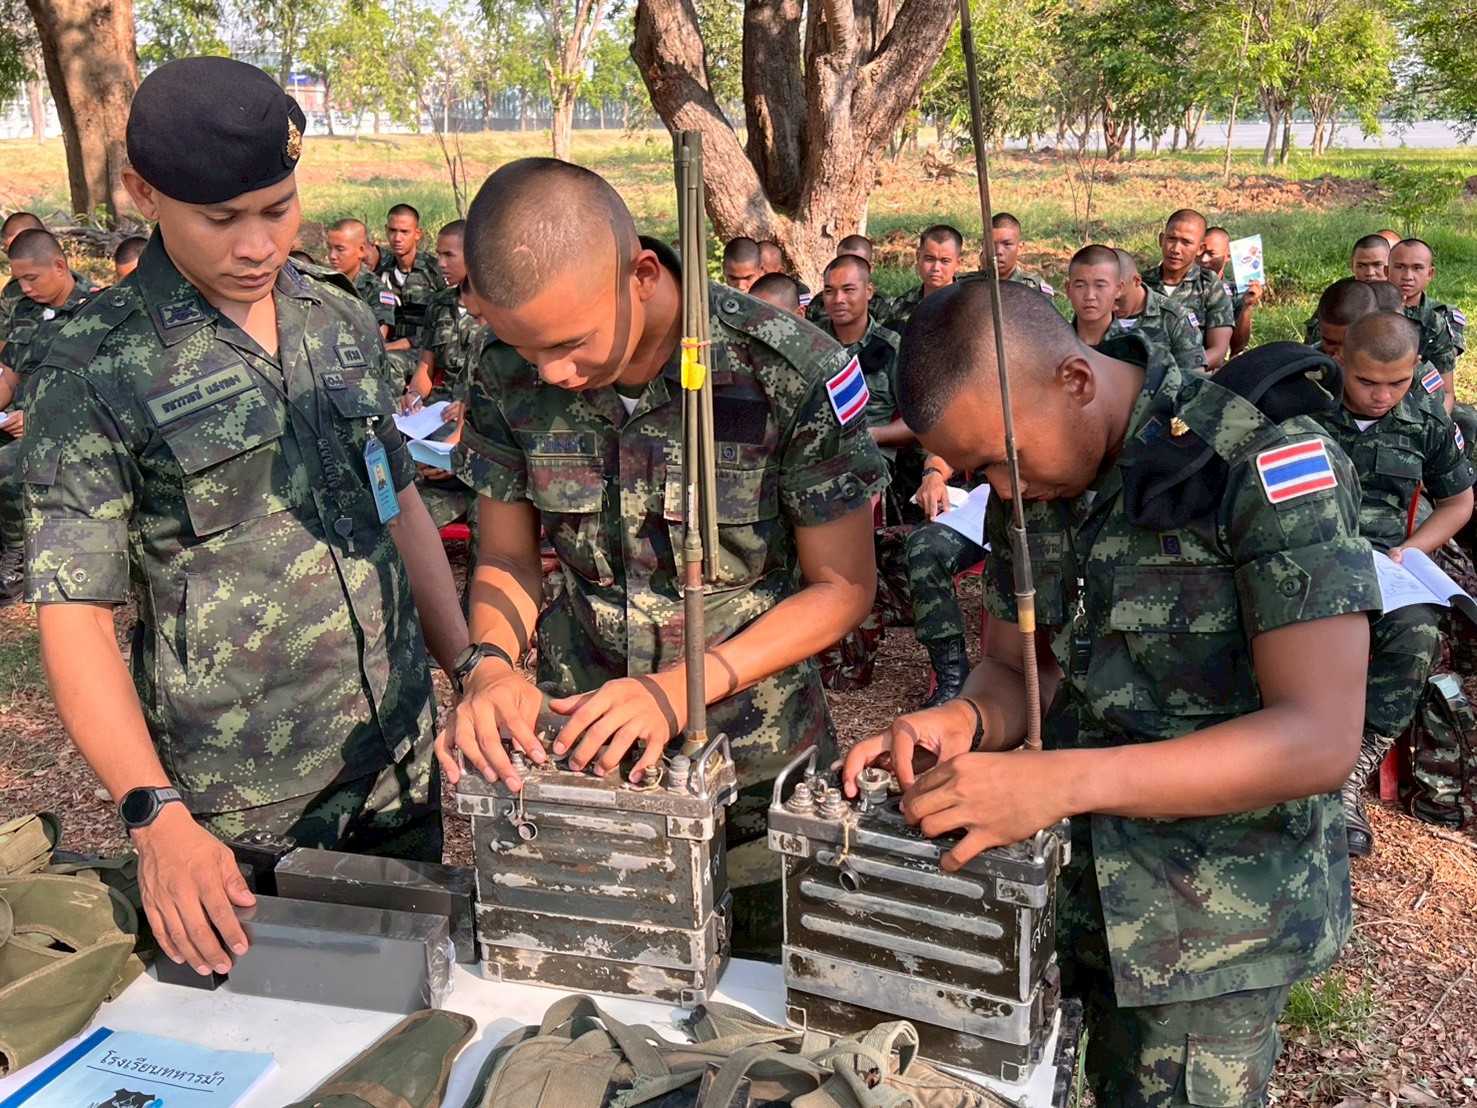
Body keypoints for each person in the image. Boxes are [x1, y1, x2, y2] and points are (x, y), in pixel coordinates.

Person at [845, 280, 1378, 1106]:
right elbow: (1023, 668)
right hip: (1062, 892)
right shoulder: (1034, 480)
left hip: (1209, 933)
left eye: (1002, 462)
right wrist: (963, 718)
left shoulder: (1261, 459)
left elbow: (1317, 737)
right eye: (979, 472)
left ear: (1073, 379)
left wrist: (1056, 782)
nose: (1002, 492)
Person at [20, 56, 492, 981]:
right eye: (221, 219)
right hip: (239, 810)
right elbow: (73, 614)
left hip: (395, 763)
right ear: (143, 194)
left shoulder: (335, 320)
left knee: (413, 1008)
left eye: (278, 209)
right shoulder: (94, 369)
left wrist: (469, 667)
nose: (256, 246)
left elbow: (396, 506)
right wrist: (153, 814)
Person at [442, 157, 887, 961]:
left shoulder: (788, 370)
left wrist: (678, 690)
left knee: (763, 989)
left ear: (642, 275)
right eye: (527, 350)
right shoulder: (505, 370)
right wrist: (491, 667)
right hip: (586, 755)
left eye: (570, 344)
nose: (551, 374)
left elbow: (844, 586)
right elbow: (506, 553)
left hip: (752, 765)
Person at [1313, 311, 1474, 857]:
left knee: (1419, 634)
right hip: (1307, 559)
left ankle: (1347, 775)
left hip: (1386, 567)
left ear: (1415, 368)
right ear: (1339, 358)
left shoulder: (1424, 420)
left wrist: (1415, 549)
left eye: (1397, 382)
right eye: (1366, 381)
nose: (1382, 396)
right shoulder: (1304, 408)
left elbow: (1458, 503)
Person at [0, 230, 104, 604]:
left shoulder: (97, 311)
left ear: (59, 266)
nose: (25, 288)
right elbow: (10, 375)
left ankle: (17, 556)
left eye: (32, 278)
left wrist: (38, 419)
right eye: (19, 280)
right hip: (19, 416)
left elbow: (100, 391)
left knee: (6, 468)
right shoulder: (27, 310)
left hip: (71, 425)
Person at [816, 253, 920, 514]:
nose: (838, 299)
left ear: (869, 291)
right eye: (829, 291)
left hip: (867, 458)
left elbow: (916, 420)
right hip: (810, 453)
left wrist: (871, 435)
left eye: (848, 289)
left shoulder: (891, 348)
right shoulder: (809, 341)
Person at [404, 222, 483, 531]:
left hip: (473, 413)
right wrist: (413, 395)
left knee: (435, 461)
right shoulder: (439, 304)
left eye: (449, 255)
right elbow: (425, 368)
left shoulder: (498, 310)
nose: (441, 263)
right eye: (438, 255)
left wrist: (465, 410)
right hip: (438, 410)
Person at [1142, 208, 1234, 370]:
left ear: (1200, 248)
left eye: (1186, 242)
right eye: (1171, 239)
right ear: (1161, 240)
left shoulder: (1210, 287)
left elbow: (1218, 351)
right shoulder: (1141, 285)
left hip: (1193, 375)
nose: (1175, 249)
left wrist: (1175, 372)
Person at [1390, 239, 1463, 414]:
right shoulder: (1369, 310)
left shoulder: (1438, 320)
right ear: (1387, 270)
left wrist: (1439, 425)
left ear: (1430, 273)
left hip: (1424, 401)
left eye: (1417, 268)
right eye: (1400, 267)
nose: (1407, 276)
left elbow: (1446, 391)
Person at [1111, 248, 1206, 373]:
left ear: (1137, 281)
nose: (1112, 307)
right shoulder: (1092, 315)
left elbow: (1194, 377)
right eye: (1107, 299)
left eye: (1119, 300)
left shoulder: (1176, 318)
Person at [377, 203, 444, 371]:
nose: (397, 238)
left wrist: (404, 343)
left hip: (426, 350)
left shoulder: (436, 272)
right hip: (389, 345)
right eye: (392, 230)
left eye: (405, 232)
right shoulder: (382, 272)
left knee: (389, 365)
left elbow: (445, 325)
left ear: (417, 234)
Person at [1304, 236, 1394, 345]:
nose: (1369, 273)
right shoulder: (1341, 294)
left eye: (1377, 265)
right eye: (1361, 266)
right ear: (1352, 266)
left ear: (1389, 265)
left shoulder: (1400, 290)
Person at [879, 225, 963, 332]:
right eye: (930, 259)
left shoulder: (968, 305)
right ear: (918, 258)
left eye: (945, 261)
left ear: (958, 264)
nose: (936, 268)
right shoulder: (902, 305)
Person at [327, 217, 396, 342]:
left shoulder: (376, 291)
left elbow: (378, 341)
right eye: (329, 248)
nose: (332, 256)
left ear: (361, 251)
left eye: (340, 249)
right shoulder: (321, 283)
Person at [1199, 226, 1263, 357]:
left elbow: (1238, 347)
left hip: (1214, 360)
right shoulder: (1185, 285)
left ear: (1228, 256)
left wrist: (1247, 307)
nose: (1204, 259)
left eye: (1211, 254)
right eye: (1200, 252)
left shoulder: (1234, 292)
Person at [991, 212, 1054, 295]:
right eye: (991, 244)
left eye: (1007, 244)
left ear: (1020, 248)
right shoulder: (974, 284)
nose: (998, 251)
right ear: (983, 246)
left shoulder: (1033, 287)